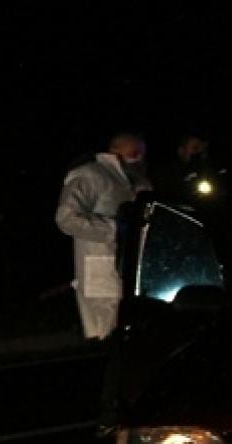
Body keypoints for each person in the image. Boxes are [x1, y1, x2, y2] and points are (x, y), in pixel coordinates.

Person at [55, 132, 150, 340]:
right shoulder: (91, 175)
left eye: (143, 154)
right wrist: (117, 230)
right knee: (105, 339)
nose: (139, 159)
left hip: (135, 275)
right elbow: (67, 218)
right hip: (101, 275)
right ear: (115, 151)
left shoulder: (138, 182)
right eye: (134, 153)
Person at [150, 132, 211, 202]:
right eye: (195, 148)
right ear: (181, 150)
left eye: (204, 150)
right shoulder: (165, 173)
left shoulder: (208, 173)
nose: (200, 154)